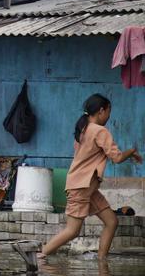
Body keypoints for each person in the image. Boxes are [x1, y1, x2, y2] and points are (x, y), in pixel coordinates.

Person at [41, 94, 141, 260]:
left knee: (112, 222)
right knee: (72, 231)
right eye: (108, 112)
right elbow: (116, 158)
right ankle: (40, 255)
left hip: (88, 187)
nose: (109, 116)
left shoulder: (84, 129)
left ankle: (102, 260)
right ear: (101, 111)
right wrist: (131, 151)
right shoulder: (100, 131)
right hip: (81, 187)